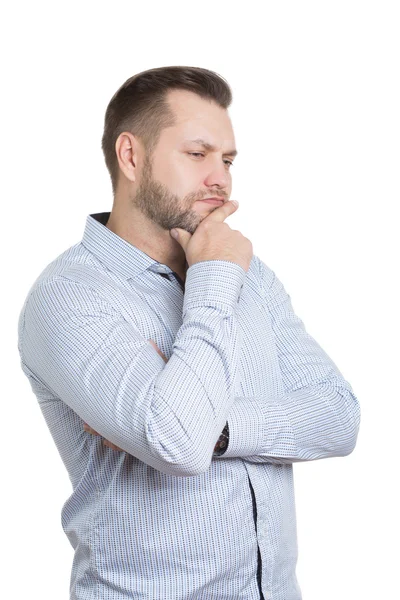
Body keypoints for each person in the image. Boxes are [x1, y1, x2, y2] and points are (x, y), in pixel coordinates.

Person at [17, 66, 360, 600]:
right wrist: (214, 279)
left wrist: (215, 428)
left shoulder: (251, 276)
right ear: (131, 157)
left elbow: (339, 416)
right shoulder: (69, 296)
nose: (220, 178)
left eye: (227, 159)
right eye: (197, 154)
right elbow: (176, 442)